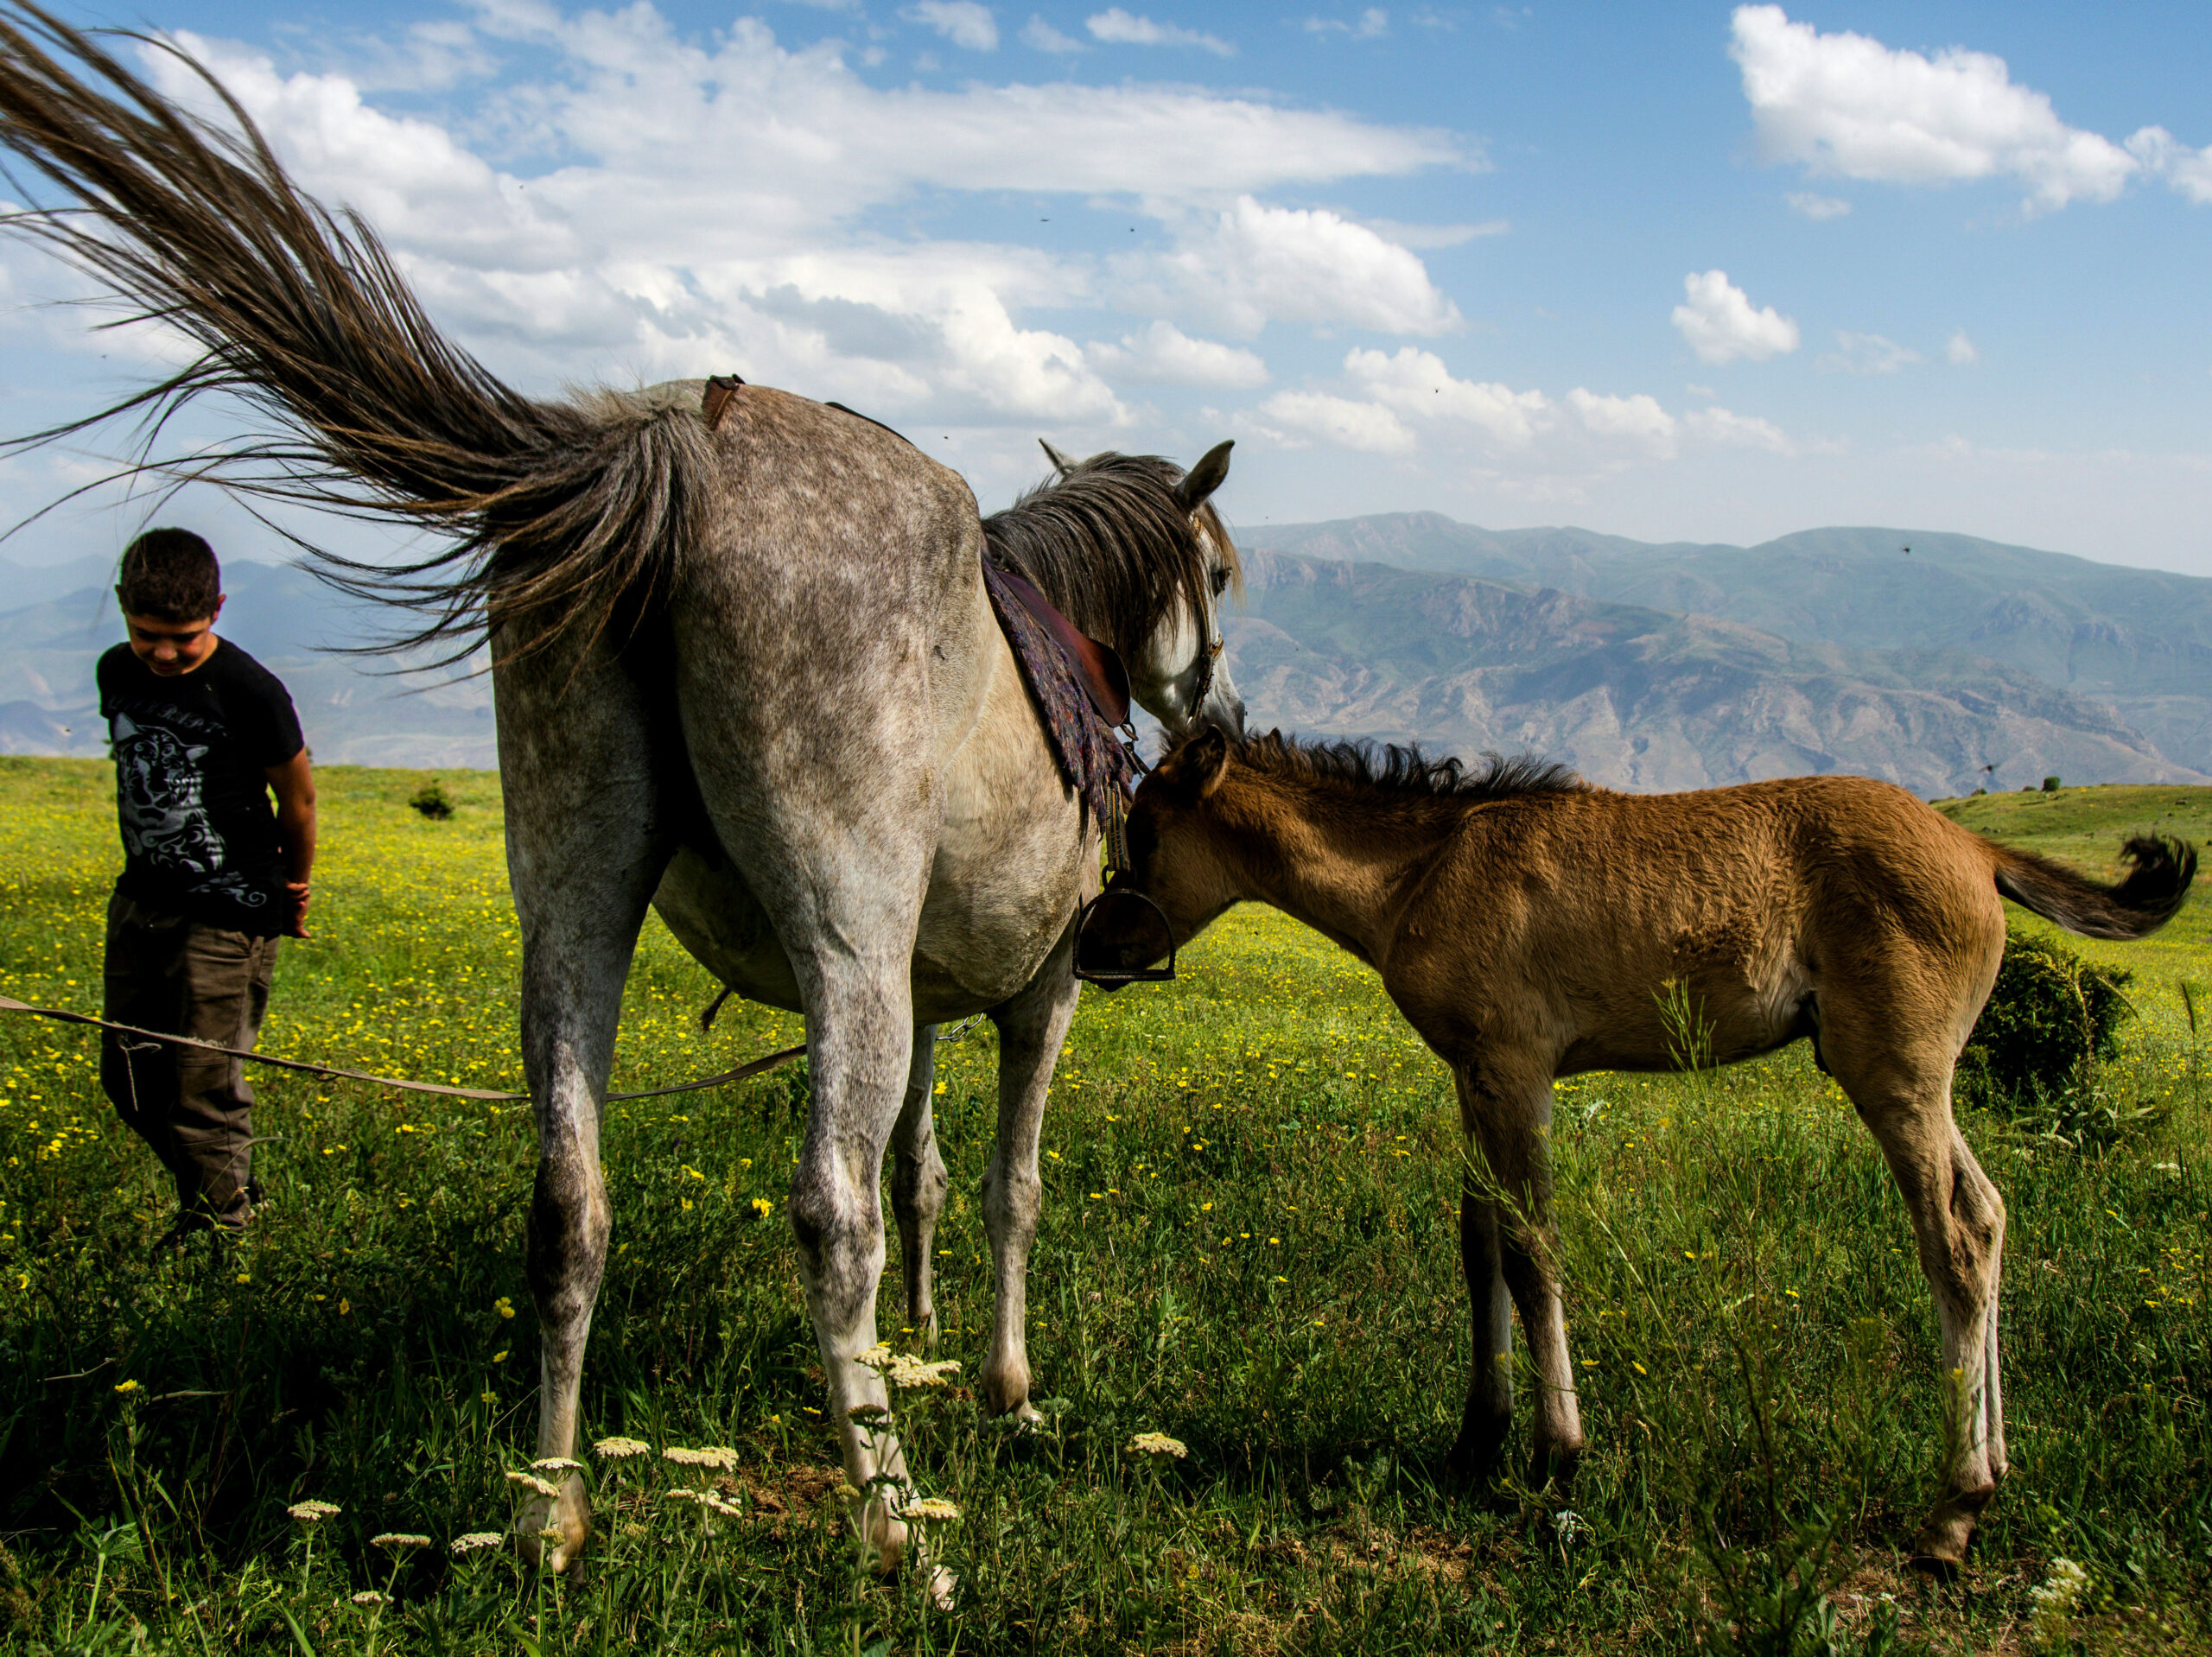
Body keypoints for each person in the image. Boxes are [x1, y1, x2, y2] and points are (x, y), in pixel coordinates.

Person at [97, 528, 315, 1242]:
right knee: (129, 1080)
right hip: (141, 900)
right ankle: (224, 1191)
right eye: (145, 633)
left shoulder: (250, 690)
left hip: (227, 914)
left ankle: (225, 1235)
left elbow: (300, 799)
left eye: (182, 637)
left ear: (217, 609)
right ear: (124, 608)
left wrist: (296, 885)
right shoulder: (115, 672)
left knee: (205, 1086)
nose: (163, 652)